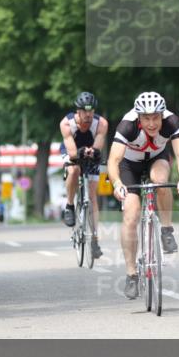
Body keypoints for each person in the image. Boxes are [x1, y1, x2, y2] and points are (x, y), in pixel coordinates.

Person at [108, 91, 179, 300]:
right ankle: (131, 275)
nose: (152, 123)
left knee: (161, 182)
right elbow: (113, 160)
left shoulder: (171, 122)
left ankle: (166, 230)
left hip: (157, 158)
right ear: (139, 117)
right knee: (131, 213)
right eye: (146, 118)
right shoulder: (127, 126)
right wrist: (117, 183)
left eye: (156, 118)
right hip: (129, 165)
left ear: (162, 115)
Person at [59, 91, 109, 260]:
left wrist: (93, 152)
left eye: (91, 111)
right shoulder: (66, 123)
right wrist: (79, 154)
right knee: (74, 170)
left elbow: (98, 146)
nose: (88, 114)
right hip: (72, 149)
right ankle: (70, 205)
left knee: (92, 197)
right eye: (85, 111)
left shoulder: (101, 123)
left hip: (89, 151)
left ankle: (94, 241)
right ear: (78, 111)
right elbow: (72, 152)